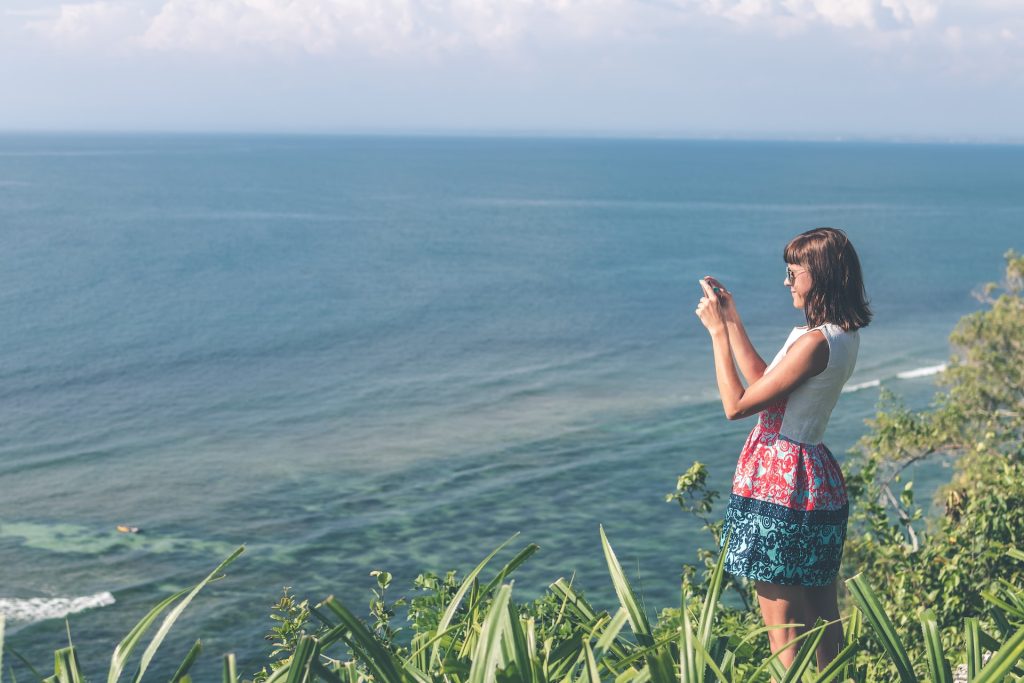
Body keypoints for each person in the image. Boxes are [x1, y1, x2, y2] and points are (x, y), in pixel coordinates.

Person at [694, 227, 871, 670]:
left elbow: (737, 405)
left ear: (822, 274)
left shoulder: (813, 343)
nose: (787, 282)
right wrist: (733, 319)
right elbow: (765, 384)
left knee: (784, 633)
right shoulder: (837, 336)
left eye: (794, 273)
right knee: (823, 617)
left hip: (779, 484)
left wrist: (717, 334)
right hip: (815, 479)